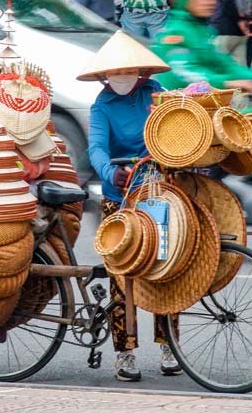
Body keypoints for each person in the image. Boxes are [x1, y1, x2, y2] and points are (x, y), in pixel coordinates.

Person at [77, 30, 182, 382]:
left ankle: (169, 345)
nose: (121, 78)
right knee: (123, 278)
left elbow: (172, 126)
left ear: (142, 73)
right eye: (114, 73)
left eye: (128, 72)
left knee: (166, 268)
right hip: (119, 198)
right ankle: (125, 353)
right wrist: (111, 171)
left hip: (156, 192)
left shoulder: (155, 94)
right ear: (105, 76)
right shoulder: (101, 106)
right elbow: (96, 149)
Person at [151, 0, 252, 91]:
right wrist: (231, 83)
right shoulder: (176, 33)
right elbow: (186, 74)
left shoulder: (203, 31)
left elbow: (224, 64)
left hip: (204, 100)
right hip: (177, 104)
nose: (211, 2)